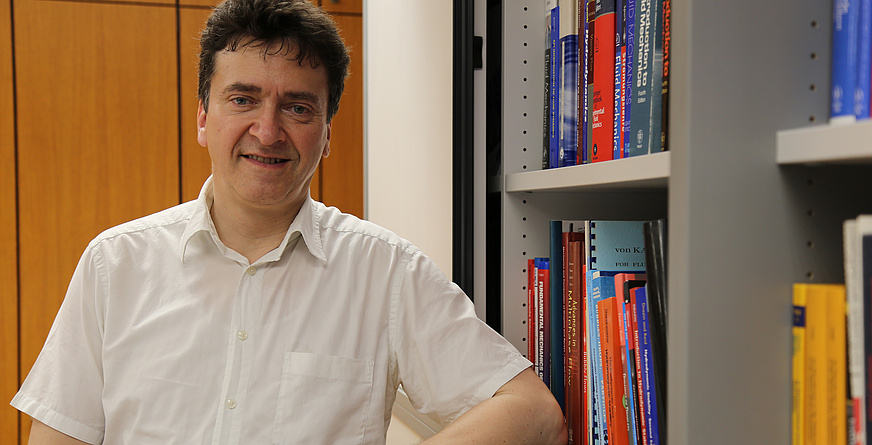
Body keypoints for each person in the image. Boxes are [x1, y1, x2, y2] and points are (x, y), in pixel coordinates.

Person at [10, 0, 567, 444]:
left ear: (326, 135)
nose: (268, 130)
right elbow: (61, 434)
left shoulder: (385, 271)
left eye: (298, 107)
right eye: (243, 99)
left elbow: (533, 414)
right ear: (204, 117)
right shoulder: (116, 263)